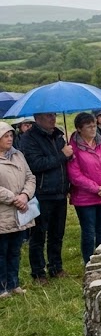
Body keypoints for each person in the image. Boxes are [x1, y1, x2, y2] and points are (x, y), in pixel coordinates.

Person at [20, 112, 72, 284]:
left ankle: (56, 267)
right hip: (42, 193)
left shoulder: (58, 136)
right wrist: (62, 155)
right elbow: (35, 165)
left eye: (54, 115)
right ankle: (38, 272)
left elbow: (63, 162)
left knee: (57, 233)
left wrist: (69, 156)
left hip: (60, 191)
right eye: (48, 116)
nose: (53, 118)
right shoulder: (29, 139)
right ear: (37, 119)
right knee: (39, 235)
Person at [67, 112, 101, 264]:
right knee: (89, 233)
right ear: (79, 129)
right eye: (88, 127)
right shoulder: (73, 148)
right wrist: (97, 188)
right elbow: (75, 175)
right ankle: (89, 262)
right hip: (85, 198)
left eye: (94, 125)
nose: (93, 129)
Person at [0, 121, 35, 298]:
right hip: (3, 213)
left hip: (20, 211)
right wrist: (14, 198)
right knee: (1, 251)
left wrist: (25, 195)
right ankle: (2, 287)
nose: (10, 138)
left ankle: (14, 284)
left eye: (11, 135)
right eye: (5, 136)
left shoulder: (18, 154)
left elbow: (30, 177)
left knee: (15, 250)